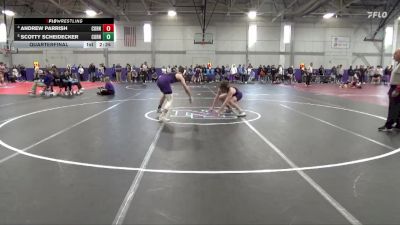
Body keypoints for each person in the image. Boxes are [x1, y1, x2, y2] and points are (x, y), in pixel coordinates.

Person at [379, 49, 400, 131]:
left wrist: (397, 90)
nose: (393, 56)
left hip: (397, 88)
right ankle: (398, 124)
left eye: (395, 54)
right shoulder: (398, 64)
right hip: (394, 87)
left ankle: (388, 125)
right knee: (397, 107)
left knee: (393, 107)